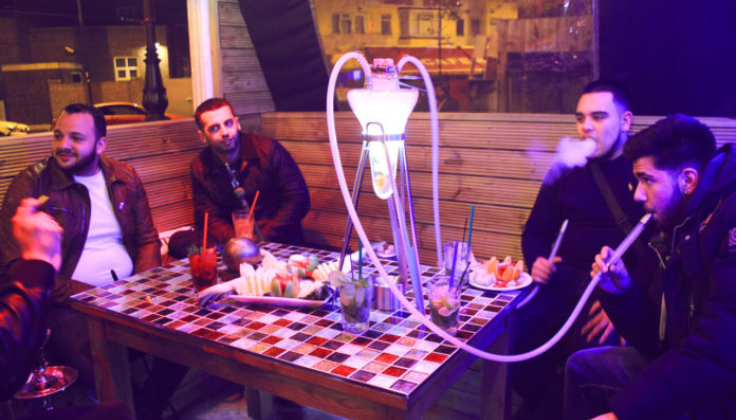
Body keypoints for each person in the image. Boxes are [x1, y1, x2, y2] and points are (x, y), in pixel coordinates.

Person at [564, 115, 734, 420]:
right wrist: (622, 294)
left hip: (724, 393)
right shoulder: (680, 226)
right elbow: (660, 342)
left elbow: (720, 351)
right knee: (582, 367)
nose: (637, 195)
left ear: (688, 180)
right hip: (694, 366)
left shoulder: (730, 219)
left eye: (648, 179)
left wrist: (624, 413)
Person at [0, 103, 162, 394]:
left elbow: (148, 239)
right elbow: (14, 264)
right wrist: (96, 298)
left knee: (189, 337)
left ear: (100, 144)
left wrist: (141, 290)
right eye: (58, 135)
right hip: (67, 305)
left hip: (131, 293)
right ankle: (127, 407)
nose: (63, 145)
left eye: (76, 138)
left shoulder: (125, 176)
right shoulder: (31, 184)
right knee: (97, 369)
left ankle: (146, 405)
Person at [513, 80, 650, 420]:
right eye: (580, 118)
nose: (587, 127)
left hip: (610, 288)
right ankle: (538, 404)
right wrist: (537, 260)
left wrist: (624, 303)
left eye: (599, 117)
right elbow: (536, 229)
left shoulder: (645, 172)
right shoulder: (568, 165)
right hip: (564, 280)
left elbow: (658, 250)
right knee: (514, 335)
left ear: (627, 121)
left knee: (589, 352)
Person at [1, 198, 134, 420]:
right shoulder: (34, 181)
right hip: (74, 305)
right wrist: (37, 263)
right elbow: (7, 373)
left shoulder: (122, 176)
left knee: (116, 412)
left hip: (122, 294)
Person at [168, 97, 310, 259]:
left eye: (228, 123)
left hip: (276, 238)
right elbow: (209, 216)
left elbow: (298, 200)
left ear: (237, 123)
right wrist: (237, 243)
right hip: (231, 240)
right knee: (178, 241)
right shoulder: (200, 166)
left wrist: (262, 237)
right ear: (202, 136)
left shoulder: (268, 150)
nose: (224, 133)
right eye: (214, 128)